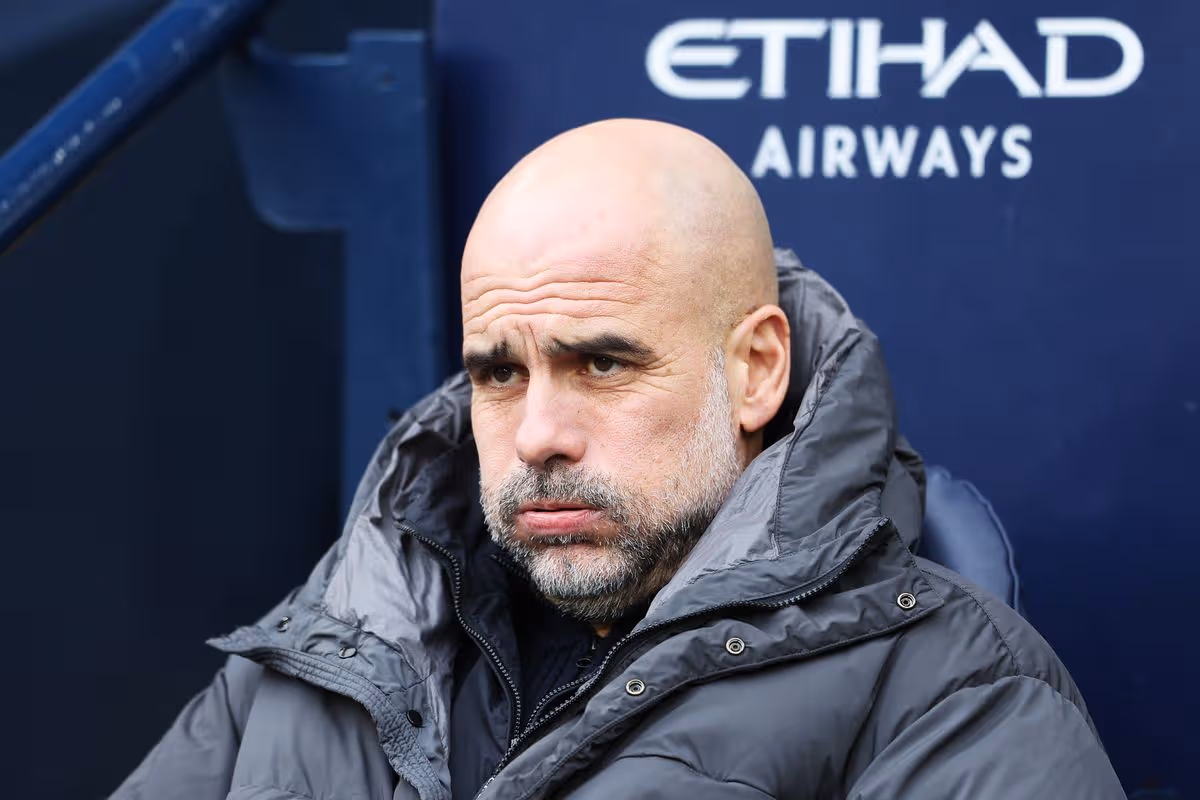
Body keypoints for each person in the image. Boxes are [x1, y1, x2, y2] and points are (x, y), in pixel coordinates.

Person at [113, 119, 1124, 799]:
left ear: (756, 371)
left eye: (601, 362)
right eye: (499, 373)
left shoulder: (957, 695)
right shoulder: (324, 656)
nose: (538, 433)